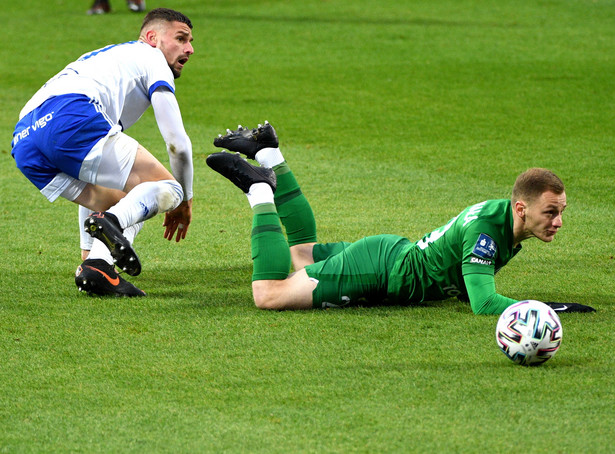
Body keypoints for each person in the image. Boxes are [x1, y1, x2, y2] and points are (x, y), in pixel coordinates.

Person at [206, 122, 595, 314]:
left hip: (391, 255)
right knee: (269, 294)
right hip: (381, 270)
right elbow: (483, 302)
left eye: (561, 213)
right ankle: (259, 189)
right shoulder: (486, 232)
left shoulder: (504, 214)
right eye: (551, 212)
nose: (558, 221)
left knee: (300, 253)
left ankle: (268, 154)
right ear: (523, 208)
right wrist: (548, 310)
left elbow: (464, 280)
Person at [11, 8, 195, 297]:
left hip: (25, 138)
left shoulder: (108, 58)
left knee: (127, 200)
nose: (190, 49)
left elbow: (96, 177)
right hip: (71, 115)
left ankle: (96, 263)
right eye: (181, 39)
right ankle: (111, 225)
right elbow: (177, 143)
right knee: (165, 187)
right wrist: (183, 199)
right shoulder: (152, 57)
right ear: (152, 38)